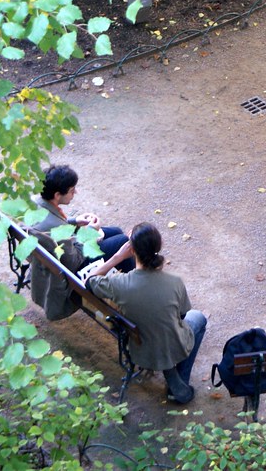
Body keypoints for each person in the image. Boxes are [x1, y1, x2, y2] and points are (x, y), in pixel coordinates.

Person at [85, 223, 207, 405]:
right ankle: (177, 377)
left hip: (139, 349)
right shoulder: (174, 283)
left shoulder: (120, 284)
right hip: (170, 344)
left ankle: (169, 368)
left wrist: (117, 257)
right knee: (198, 318)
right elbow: (182, 315)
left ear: (132, 250)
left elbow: (90, 281)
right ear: (158, 247)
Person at [31, 164, 134, 273]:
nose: (75, 192)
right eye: (72, 190)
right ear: (57, 195)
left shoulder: (36, 202)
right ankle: (130, 283)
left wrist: (75, 221)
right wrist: (89, 233)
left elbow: (53, 223)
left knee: (116, 231)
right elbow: (74, 261)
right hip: (73, 271)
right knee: (123, 241)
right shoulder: (57, 227)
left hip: (59, 253)